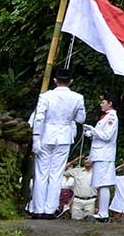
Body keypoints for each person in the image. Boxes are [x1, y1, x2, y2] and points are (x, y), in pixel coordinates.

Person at [29, 68, 86, 218]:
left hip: (46, 134)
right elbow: (81, 119)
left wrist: (36, 138)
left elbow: (39, 118)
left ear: (55, 80)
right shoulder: (77, 98)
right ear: (71, 81)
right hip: (64, 136)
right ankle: (50, 209)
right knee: (56, 173)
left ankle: (38, 209)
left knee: (41, 173)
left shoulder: (45, 96)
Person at [83, 93, 118, 222]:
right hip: (100, 154)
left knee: (103, 184)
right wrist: (90, 134)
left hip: (104, 154)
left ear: (110, 103)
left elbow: (107, 136)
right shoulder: (106, 117)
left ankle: (104, 213)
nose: (101, 104)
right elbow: (100, 136)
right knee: (101, 184)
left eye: (103, 102)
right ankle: (102, 212)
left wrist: (92, 130)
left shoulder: (112, 117)